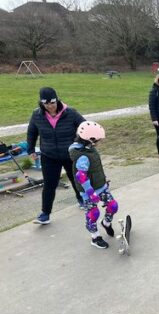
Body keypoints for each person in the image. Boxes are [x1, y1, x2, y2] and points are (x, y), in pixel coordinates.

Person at [27, 87, 86, 225]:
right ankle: (45, 214)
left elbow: (84, 126)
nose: (50, 106)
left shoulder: (70, 112)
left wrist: (84, 143)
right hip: (49, 155)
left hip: (70, 153)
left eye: (52, 102)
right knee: (49, 185)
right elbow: (31, 133)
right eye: (46, 104)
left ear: (57, 99)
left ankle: (82, 199)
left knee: (76, 179)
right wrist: (31, 150)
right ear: (41, 103)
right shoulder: (37, 115)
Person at [69, 121, 119, 249]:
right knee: (93, 213)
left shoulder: (89, 149)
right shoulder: (82, 156)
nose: (99, 142)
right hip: (88, 192)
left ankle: (106, 223)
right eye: (98, 140)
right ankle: (95, 237)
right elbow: (81, 176)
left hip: (101, 187)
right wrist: (91, 193)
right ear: (90, 140)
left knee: (113, 206)